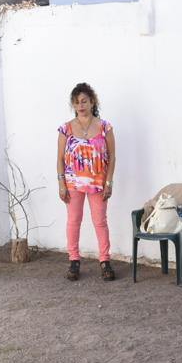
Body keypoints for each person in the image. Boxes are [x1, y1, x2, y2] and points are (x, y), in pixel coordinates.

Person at [56, 82, 116, 281]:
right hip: (73, 183)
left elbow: (112, 156)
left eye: (84, 101)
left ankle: (105, 261)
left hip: (98, 182)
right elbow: (60, 158)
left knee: (100, 222)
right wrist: (61, 183)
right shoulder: (66, 129)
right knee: (74, 221)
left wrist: (109, 183)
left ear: (92, 102)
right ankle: (74, 261)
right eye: (76, 102)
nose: (80, 105)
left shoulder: (104, 126)